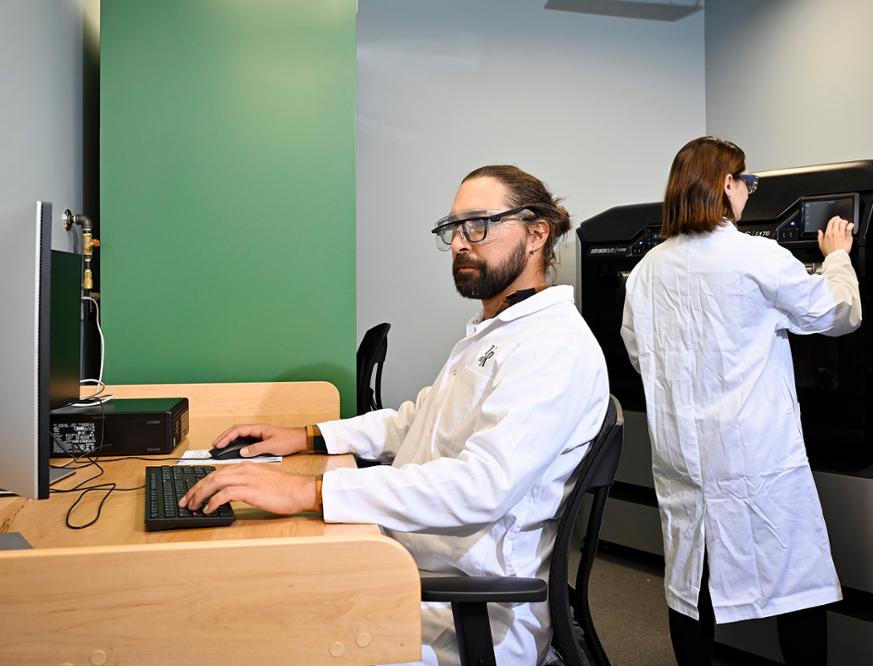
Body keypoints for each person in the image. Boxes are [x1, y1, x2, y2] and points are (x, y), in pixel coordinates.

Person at [180, 164, 610, 666]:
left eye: (479, 224)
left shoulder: (551, 346)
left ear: (537, 233)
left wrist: (306, 491)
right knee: (240, 597)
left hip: (464, 610)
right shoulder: (496, 329)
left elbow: (482, 486)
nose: (459, 243)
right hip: (408, 566)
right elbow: (416, 419)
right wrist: (307, 437)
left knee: (246, 632)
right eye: (453, 228)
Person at [620, 136, 861, 666]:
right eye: (747, 181)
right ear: (724, 184)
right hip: (757, 455)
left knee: (690, 582)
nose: (750, 192)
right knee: (796, 583)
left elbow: (642, 358)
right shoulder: (757, 256)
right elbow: (839, 314)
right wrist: (838, 258)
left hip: (684, 456)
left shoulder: (646, 272)